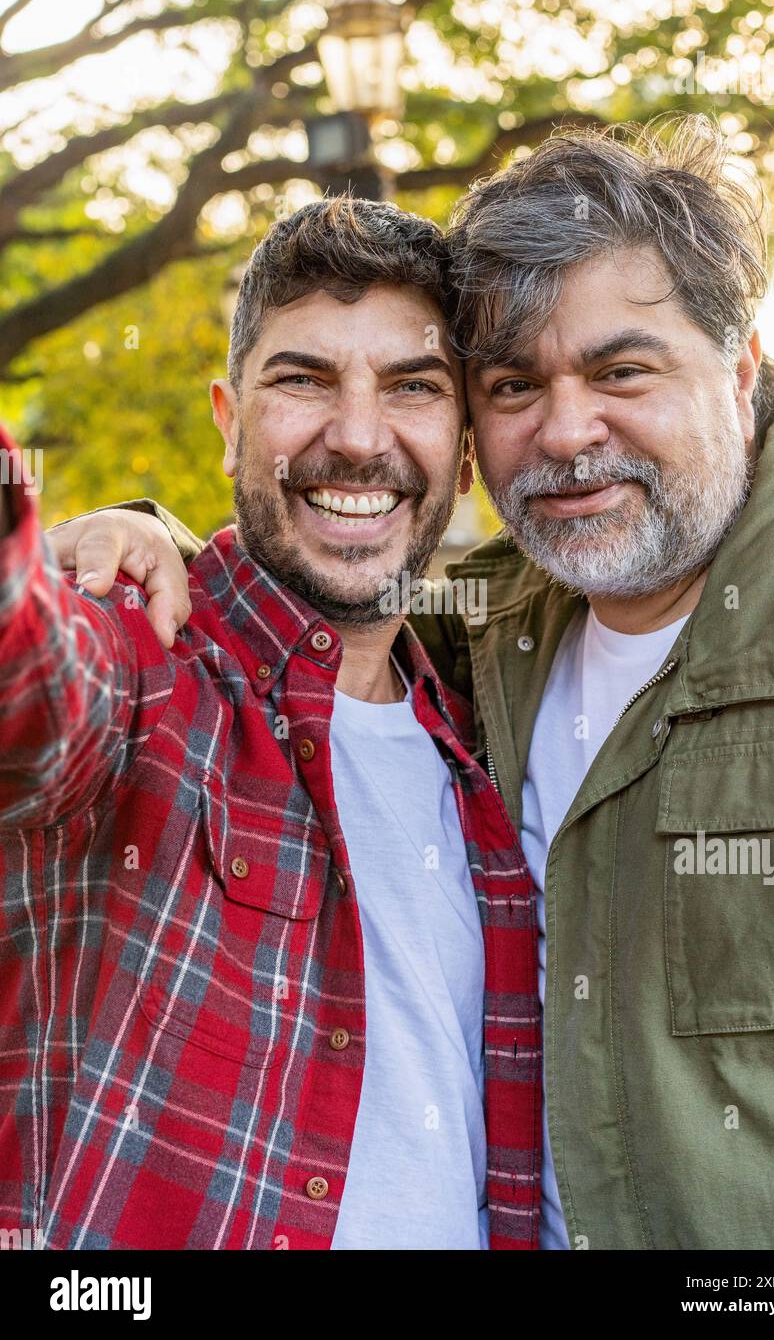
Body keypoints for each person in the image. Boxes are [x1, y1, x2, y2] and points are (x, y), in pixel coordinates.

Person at [52, 114, 774, 1251]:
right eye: (513, 383)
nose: (568, 428)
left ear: (737, 369)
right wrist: (127, 545)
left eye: (620, 369)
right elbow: (301, 590)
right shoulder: (478, 631)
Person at [0, 197, 542, 1251]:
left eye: (412, 388)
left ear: (466, 450)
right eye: (301, 378)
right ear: (228, 420)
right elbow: (31, 676)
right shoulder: (146, 657)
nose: (354, 436)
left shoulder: (482, 746)